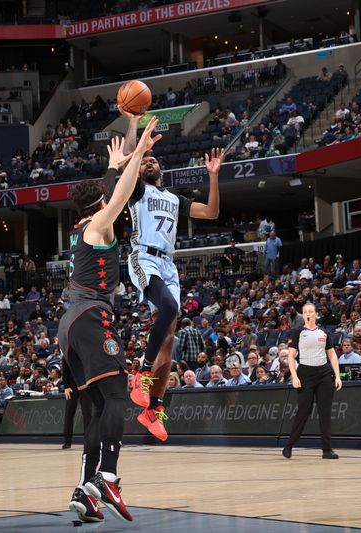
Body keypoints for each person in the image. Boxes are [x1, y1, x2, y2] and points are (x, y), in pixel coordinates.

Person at [59, 118, 160, 524]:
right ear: (100, 204)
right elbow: (116, 195)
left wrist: (129, 134)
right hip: (88, 317)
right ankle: (108, 477)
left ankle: (84, 492)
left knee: (97, 408)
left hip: (69, 325)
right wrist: (137, 154)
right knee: (119, 394)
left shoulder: (83, 226)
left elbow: (110, 188)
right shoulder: (100, 226)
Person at [121, 109, 224, 442]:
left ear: (162, 170)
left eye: (153, 161)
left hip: (168, 265)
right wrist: (134, 128)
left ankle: (155, 408)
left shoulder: (174, 199)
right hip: (144, 258)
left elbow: (211, 212)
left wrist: (213, 175)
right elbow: (126, 162)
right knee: (168, 309)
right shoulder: (137, 192)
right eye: (144, 162)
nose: (149, 163)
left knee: (170, 338)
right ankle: (141, 373)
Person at [283, 302, 342, 460]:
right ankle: (289, 445)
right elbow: (290, 356)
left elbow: (332, 355)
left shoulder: (324, 332)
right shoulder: (297, 332)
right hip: (305, 374)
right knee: (304, 411)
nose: (308, 314)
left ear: (316, 314)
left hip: (323, 374)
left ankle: (327, 450)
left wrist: (337, 376)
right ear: (303, 314)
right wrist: (294, 376)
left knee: (325, 412)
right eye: (305, 312)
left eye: (311, 311)